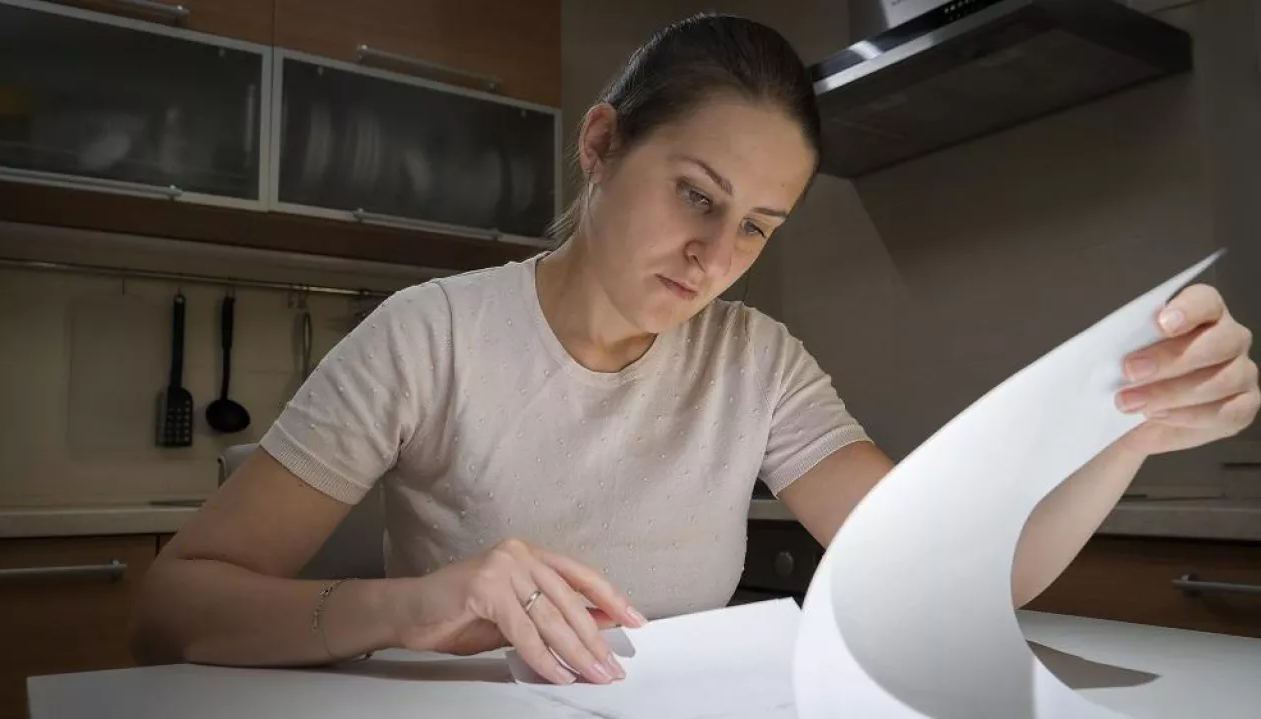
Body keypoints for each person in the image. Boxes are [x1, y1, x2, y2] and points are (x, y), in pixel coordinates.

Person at [127, 12, 1259, 687]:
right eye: (695, 195)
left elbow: (956, 564)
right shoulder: (431, 334)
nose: (716, 254)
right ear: (603, 143)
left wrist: (1131, 427)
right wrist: (419, 600)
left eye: (757, 226)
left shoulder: (757, 361)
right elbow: (173, 603)